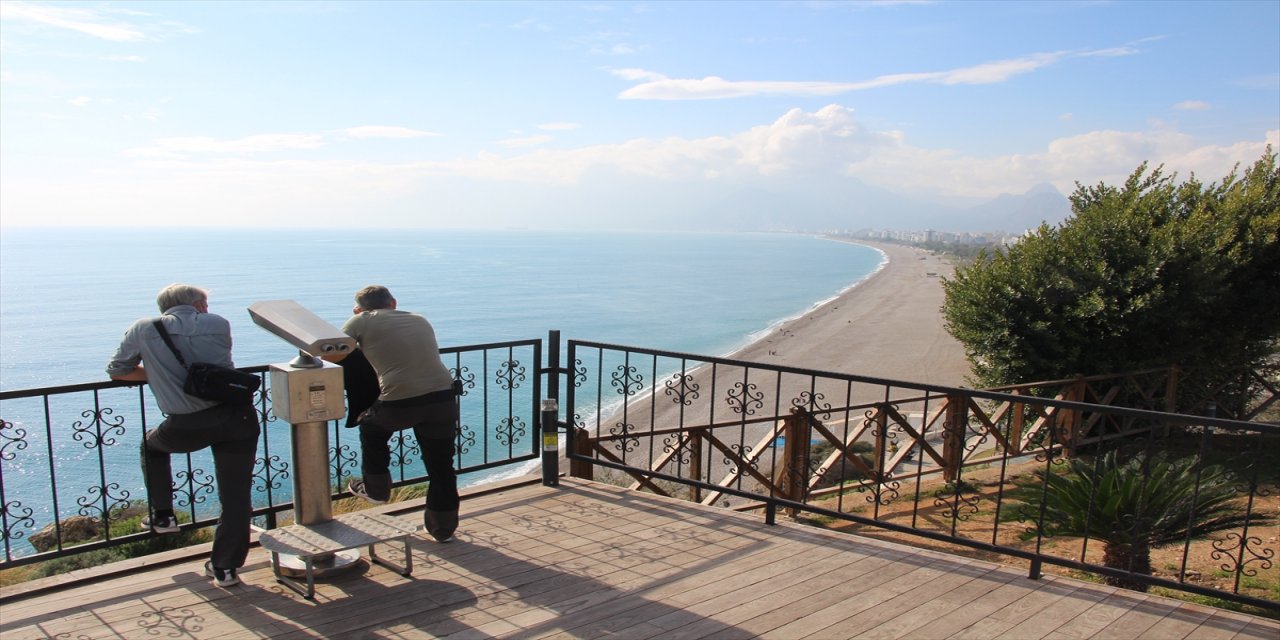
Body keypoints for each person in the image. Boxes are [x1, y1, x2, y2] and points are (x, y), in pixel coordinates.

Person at [106, 284, 261, 588]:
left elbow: (118, 370)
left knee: (152, 446)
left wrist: (159, 371)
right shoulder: (219, 323)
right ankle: (225, 568)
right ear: (199, 304)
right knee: (236, 496)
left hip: (188, 423)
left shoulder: (144, 328)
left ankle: (163, 515)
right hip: (238, 417)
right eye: (204, 303)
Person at [329, 285, 459, 542]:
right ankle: (442, 528)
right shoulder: (418, 318)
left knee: (370, 426)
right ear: (393, 302)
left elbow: (334, 350)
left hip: (400, 402)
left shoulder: (361, 320)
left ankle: (376, 490)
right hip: (442, 398)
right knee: (441, 467)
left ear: (359, 308)